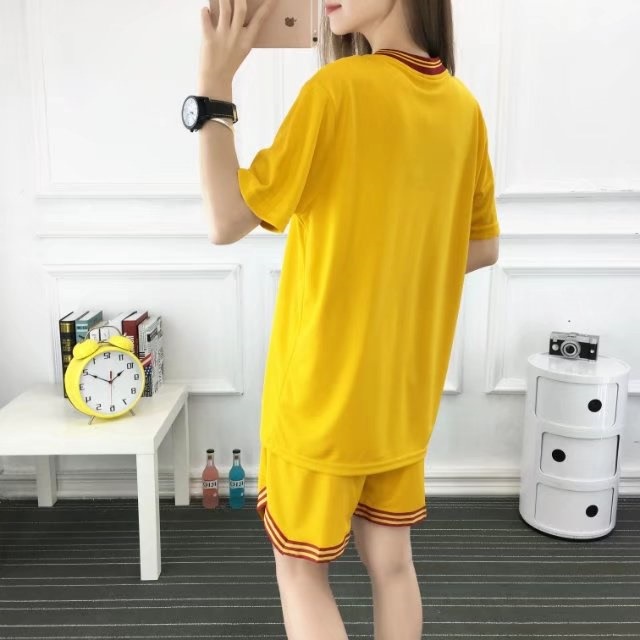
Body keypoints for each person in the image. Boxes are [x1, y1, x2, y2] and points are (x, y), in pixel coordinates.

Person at [198, 1, 500, 638]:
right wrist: (398, 269)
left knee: (300, 572)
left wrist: (214, 86)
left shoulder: (337, 91)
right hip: (401, 397)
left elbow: (226, 219)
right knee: (392, 565)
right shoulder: (462, 108)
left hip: (323, 400)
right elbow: (481, 247)